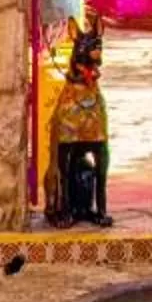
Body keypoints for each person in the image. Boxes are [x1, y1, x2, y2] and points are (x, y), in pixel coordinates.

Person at [43, 20, 111, 228]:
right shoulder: (69, 99)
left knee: (98, 156)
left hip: (90, 101)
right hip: (71, 123)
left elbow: (102, 152)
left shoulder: (95, 95)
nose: (96, 51)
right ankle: (63, 209)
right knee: (62, 164)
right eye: (90, 47)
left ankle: (98, 209)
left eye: (97, 46)